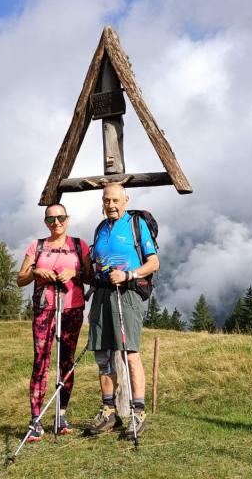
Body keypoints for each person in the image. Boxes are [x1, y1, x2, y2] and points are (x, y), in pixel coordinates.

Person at [86, 183, 159, 439]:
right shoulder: (101, 228)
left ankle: (138, 412)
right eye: (107, 201)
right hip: (102, 293)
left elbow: (154, 263)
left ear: (126, 200)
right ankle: (109, 411)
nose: (111, 205)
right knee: (103, 356)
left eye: (116, 200)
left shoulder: (136, 225)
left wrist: (128, 274)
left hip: (128, 294)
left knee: (130, 354)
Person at [17, 204, 91, 442]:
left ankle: (60, 416)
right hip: (43, 309)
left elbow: (91, 276)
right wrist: (36, 272)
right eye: (51, 219)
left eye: (60, 217)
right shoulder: (37, 246)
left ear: (67, 219)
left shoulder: (79, 246)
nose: (56, 222)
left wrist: (74, 273)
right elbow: (20, 279)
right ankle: (36, 420)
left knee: (66, 362)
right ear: (45, 222)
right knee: (41, 362)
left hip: (72, 309)